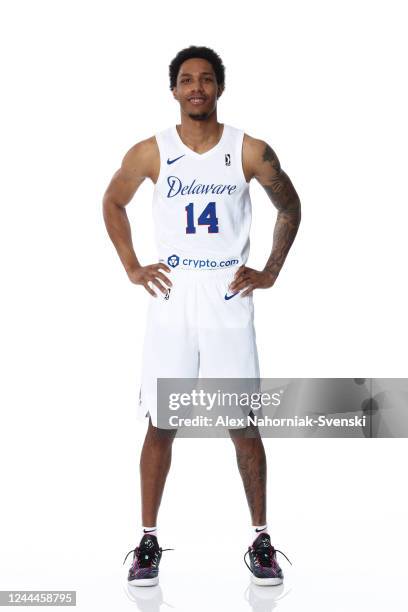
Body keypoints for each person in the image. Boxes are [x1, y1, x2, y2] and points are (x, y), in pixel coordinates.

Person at [103, 45, 301, 587]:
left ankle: (261, 539)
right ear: (174, 90)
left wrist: (270, 270)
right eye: (187, 80)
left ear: (219, 88)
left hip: (227, 291)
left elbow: (290, 205)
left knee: (242, 422)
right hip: (173, 294)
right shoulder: (152, 151)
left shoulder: (248, 150)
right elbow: (112, 201)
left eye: (206, 79)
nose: (196, 87)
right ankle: (147, 540)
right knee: (162, 421)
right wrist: (131, 265)